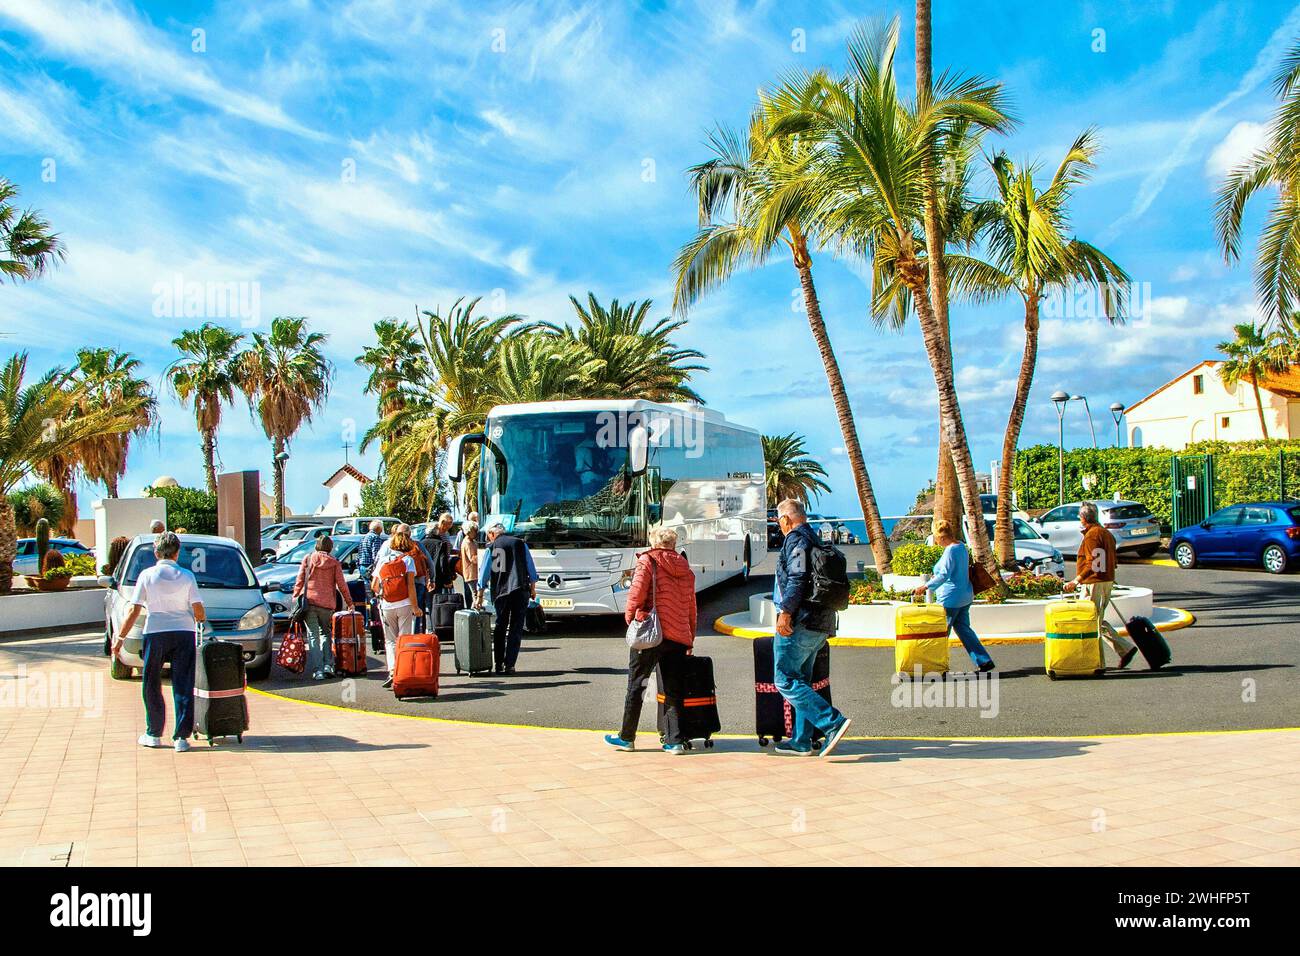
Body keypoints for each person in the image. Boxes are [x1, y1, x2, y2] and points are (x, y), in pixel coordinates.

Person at [604, 527, 697, 754]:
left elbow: (636, 595)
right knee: (673, 689)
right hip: (678, 636)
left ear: (654, 542)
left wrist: (631, 620)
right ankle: (674, 741)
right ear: (673, 545)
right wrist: (690, 637)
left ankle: (627, 737)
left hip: (649, 634)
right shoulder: (686, 568)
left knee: (636, 685)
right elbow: (691, 607)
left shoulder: (648, 561)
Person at [771, 499, 853, 757]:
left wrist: (785, 613)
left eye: (778, 520)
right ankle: (801, 741)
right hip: (822, 621)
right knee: (802, 680)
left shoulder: (796, 540)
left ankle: (833, 723)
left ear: (786, 519)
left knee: (784, 678)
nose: (779, 525)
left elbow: (797, 578)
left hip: (801, 621)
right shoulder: (816, 538)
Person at [112, 532, 204, 753]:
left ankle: (153, 733)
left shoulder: (147, 575)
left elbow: (134, 609)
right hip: (183, 632)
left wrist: (120, 638)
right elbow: (198, 610)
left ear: (156, 552)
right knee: (183, 683)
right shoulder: (187, 575)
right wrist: (200, 619)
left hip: (155, 631)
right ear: (177, 552)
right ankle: (181, 737)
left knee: (151, 682)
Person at [913, 519, 997, 674]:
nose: (937, 542)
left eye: (937, 539)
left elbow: (944, 574)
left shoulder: (950, 550)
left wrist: (925, 587)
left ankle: (936, 666)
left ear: (943, 537)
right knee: (964, 629)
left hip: (950, 598)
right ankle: (984, 661)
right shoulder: (961, 546)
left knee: (941, 633)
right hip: (965, 595)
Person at [1064, 502, 1138, 669]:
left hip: (1093, 583)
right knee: (1096, 619)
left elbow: (1092, 564)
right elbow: (1112, 559)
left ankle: (1098, 663)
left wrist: (1076, 580)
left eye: (1079, 517)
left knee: (1090, 622)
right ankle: (1124, 649)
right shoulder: (1106, 533)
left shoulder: (1092, 536)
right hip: (1106, 580)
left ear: (1083, 518)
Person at [473, 523, 539, 674]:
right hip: (520, 590)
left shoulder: (492, 547)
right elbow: (531, 568)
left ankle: (498, 663)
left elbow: (484, 573)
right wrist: (533, 589)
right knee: (516, 627)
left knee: (500, 626)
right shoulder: (520, 543)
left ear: (491, 534)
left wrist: (479, 595)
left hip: (501, 592)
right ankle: (510, 664)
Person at [291, 534, 351, 680]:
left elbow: (300, 580)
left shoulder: (308, 558)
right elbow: (342, 585)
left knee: (313, 635)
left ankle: (318, 670)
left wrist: (295, 596)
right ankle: (328, 665)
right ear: (330, 547)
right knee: (326, 633)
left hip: (309, 602)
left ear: (317, 545)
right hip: (327, 604)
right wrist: (350, 602)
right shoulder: (334, 563)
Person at [371, 529, 422, 688]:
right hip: (405, 604)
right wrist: (415, 607)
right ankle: (404, 672)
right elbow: (411, 586)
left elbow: (374, 585)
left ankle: (392, 671)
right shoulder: (408, 560)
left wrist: (383, 594)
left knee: (390, 641)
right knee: (404, 639)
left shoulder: (383, 561)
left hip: (387, 605)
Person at [458, 520, 480, 605]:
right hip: (471, 574)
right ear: (469, 531)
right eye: (474, 531)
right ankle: (475, 615)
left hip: (473, 573)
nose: (476, 533)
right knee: (475, 596)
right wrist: (483, 556)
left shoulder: (472, 541)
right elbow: (473, 559)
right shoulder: (467, 543)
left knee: (475, 596)